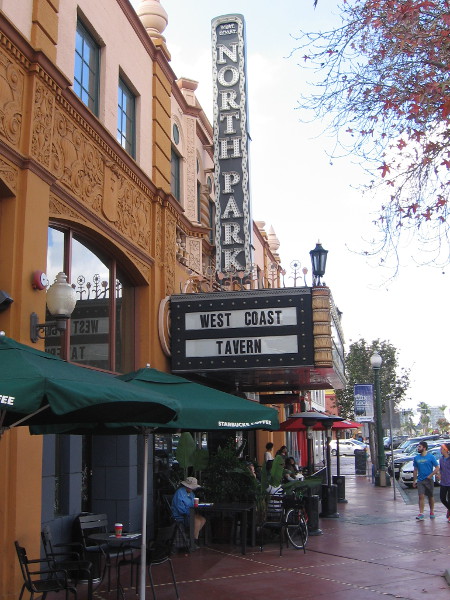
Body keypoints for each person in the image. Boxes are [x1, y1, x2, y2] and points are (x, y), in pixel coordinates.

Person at [171, 476, 206, 547]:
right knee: (197, 521)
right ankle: (193, 542)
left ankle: (193, 537)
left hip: (190, 513)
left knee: (203, 519)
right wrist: (189, 513)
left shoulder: (192, 494)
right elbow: (180, 509)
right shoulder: (180, 493)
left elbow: (193, 504)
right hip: (181, 516)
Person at [412, 441, 440, 520]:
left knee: (430, 496)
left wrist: (431, 475)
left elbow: (437, 467)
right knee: (421, 496)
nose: (418, 448)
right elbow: (415, 470)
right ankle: (421, 513)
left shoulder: (431, 457)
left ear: (424, 448)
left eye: (420, 447)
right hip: (420, 480)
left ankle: (432, 511)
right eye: (418, 446)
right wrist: (414, 480)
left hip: (429, 480)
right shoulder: (416, 458)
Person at [438, 443, 450, 522]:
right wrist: (439, 474)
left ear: (446, 450)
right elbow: (441, 469)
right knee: (442, 498)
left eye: (441, 449)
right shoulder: (441, 459)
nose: (440, 450)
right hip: (443, 482)